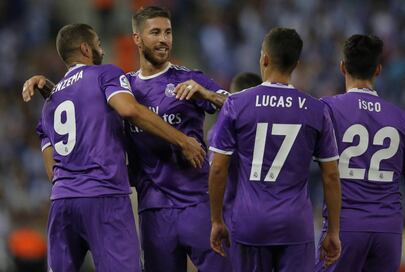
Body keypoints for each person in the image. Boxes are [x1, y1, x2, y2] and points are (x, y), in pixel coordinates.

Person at [28, 23, 206, 272]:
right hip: (104, 198)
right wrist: (182, 140)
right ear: (85, 48)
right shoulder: (106, 74)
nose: (102, 47)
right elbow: (128, 109)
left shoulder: (49, 103)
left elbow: (51, 172)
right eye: (98, 42)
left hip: (62, 203)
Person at [209, 27, 342, 272]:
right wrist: (332, 231)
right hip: (296, 224)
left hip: (250, 223)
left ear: (265, 58)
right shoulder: (317, 110)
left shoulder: (236, 104)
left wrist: (217, 220)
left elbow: (218, 168)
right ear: (296, 64)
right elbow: (331, 176)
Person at [124, 6, 231, 271]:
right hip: (154, 210)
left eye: (168, 32)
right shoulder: (124, 89)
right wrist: (50, 89)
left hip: (198, 203)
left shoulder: (190, 78)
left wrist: (206, 94)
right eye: (156, 32)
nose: (164, 39)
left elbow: (237, 108)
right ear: (137, 39)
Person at [315, 35, 405, 272]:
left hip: (345, 226)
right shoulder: (402, 119)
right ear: (378, 70)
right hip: (388, 230)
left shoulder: (327, 109)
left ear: (342, 67)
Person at [207, 71, 262, 265]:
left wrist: (214, 219)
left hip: (232, 217)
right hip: (269, 213)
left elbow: (216, 170)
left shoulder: (219, 131)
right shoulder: (272, 127)